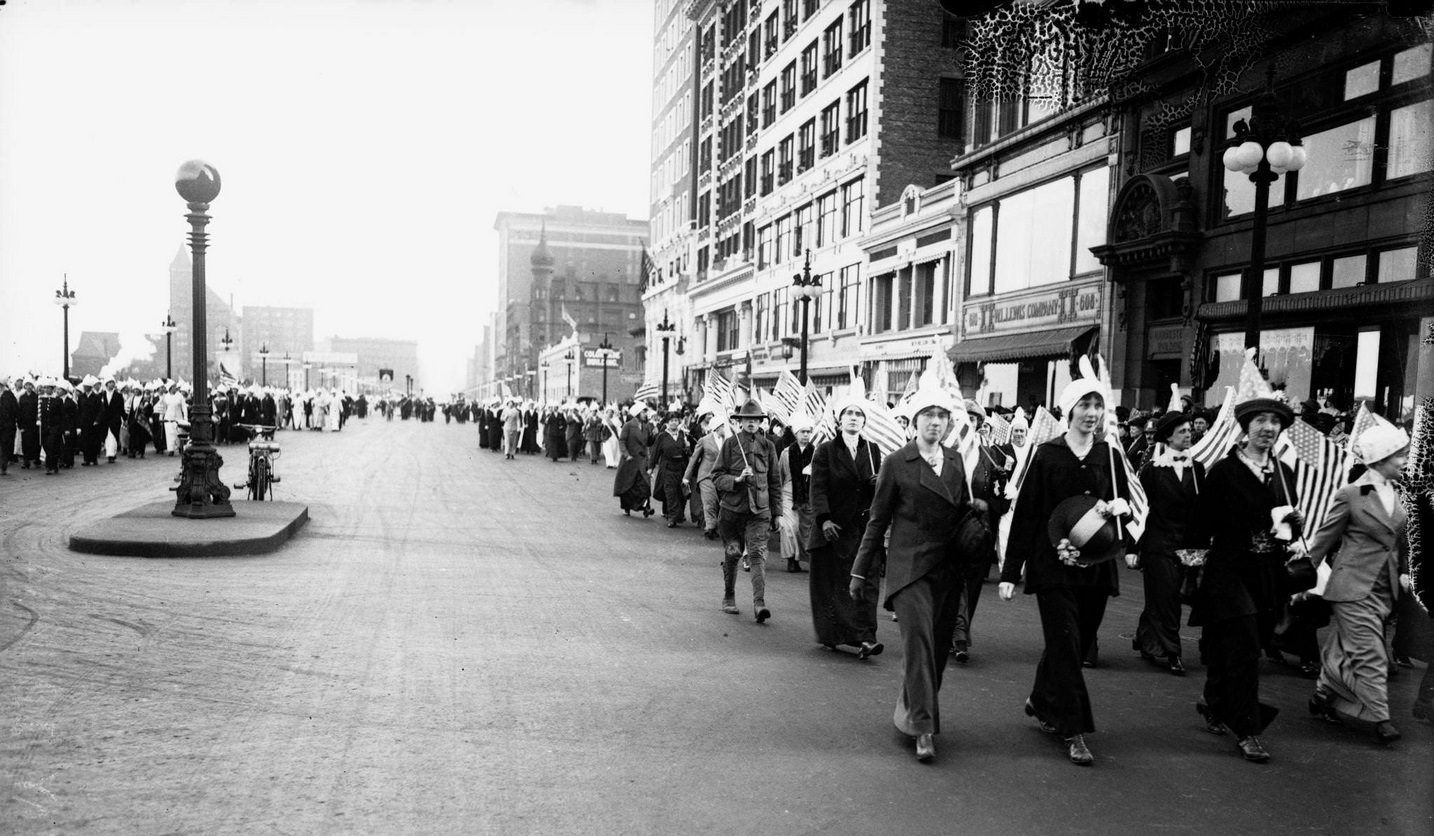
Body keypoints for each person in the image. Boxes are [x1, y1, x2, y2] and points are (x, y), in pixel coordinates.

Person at [999, 375, 1135, 767]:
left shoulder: (1109, 454)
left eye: (1098, 406)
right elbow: (1025, 515)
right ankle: (1073, 729)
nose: (1092, 414)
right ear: (1069, 409)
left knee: (1076, 643)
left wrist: (1120, 508)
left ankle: (1042, 698)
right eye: (1085, 405)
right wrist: (1010, 571)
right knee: (1065, 642)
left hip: (1095, 566)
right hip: (1052, 564)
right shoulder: (1046, 454)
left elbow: (1123, 501)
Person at [849, 387, 974, 762]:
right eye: (928, 415)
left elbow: (962, 512)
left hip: (947, 569)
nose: (936, 422)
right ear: (914, 420)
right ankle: (923, 727)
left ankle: (911, 709)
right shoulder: (896, 462)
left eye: (942, 416)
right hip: (909, 570)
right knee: (918, 643)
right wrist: (859, 570)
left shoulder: (955, 460)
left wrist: (978, 513)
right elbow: (878, 519)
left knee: (935, 652)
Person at [1190, 397, 1302, 764]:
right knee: (1245, 644)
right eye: (1261, 421)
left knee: (1239, 642)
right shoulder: (1223, 471)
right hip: (1229, 570)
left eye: (1275, 422)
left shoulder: (1285, 471)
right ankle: (1248, 729)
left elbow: (1289, 518)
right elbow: (1202, 523)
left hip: (1268, 572)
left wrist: (1292, 525)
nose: (1268, 428)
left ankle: (1214, 700)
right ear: (1246, 427)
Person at [1307, 423, 1410, 744]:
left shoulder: (1396, 493)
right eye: (1399, 456)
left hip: (1384, 590)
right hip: (1352, 587)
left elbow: (1398, 542)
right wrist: (1300, 577)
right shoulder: (1350, 495)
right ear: (1379, 460)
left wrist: (1405, 572)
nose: (1405, 461)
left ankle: (1324, 695)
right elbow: (1324, 540)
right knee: (1369, 653)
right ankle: (1381, 718)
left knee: (1344, 648)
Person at [1133, 411, 1207, 675]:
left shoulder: (1197, 469)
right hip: (1157, 544)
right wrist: (1134, 548)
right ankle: (1172, 651)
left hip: (1185, 545)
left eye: (1190, 431)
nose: (1188, 435)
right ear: (1168, 437)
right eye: (1182, 432)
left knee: (1162, 597)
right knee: (1167, 598)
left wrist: (1200, 548)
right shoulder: (1153, 471)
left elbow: (1201, 512)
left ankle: (1146, 638)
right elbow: (1140, 510)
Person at [810, 398, 883, 654]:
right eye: (848, 413)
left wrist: (878, 483)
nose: (853, 417)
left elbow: (880, 490)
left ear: (864, 421)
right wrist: (824, 519)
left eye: (858, 414)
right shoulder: (826, 450)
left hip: (863, 528)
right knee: (836, 584)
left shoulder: (872, 450)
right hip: (835, 529)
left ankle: (866, 637)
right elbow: (817, 488)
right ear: (840, 420)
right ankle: (835, 634)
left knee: (867, 581)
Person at [711, 399, 782, 621]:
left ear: (761, 422)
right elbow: (716, 476)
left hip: (759, 512)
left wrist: (777, 512)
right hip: (732, 511)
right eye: (747, 419)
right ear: (740, 422)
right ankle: (728, 596)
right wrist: (736, 480)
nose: (751, 423)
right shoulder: (731, 444)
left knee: (757, 555)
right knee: (733, 553)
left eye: (755, 420)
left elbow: (774, 481)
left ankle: (759, 604)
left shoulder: (768, 446)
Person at [952, 402, 1010, 665]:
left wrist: (1001, 482)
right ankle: (958, 635)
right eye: (966, 418)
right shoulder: (948, 451)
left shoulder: (989, 454)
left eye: (975, 419)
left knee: (972, 585)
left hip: (979, 532)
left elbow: (1001, 501)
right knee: (955, 582)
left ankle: (960, 629)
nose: (970, 422)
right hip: (952, 529)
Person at [776, 412, 816, 573]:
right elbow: (779, 476)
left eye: (808, 432)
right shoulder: (786, 453)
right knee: (789, 526)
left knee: (806, 529)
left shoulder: (816, 453)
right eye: (802, 432)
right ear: (796, 433)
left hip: (809, 495)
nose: (805, 435)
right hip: (788, 493)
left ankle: (807, 559)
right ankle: (791, 559)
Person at [683, 407, 723, 540]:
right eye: (723, 426)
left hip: (721, 477)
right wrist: (686, 477)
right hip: (706, 476)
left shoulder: (729, 441)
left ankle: (715, 525)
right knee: (709, 501)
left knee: (719, 503)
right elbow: (694, 459)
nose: (725, 428)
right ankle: (710, 527)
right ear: (717, 427)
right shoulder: (705, 440)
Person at [613, 403, 655, 517]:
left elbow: (649, 442)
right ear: (637, 414)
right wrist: (626, 454)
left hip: (642, 460)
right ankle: (627, 507)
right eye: (643, 412)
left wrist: (654, 435)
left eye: (646, 412)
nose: (645, 414)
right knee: (628, 485)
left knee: (644, 484)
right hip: (630, 461)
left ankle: (646, 506)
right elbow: (622, 441)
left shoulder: (647, 427)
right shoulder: (628, 426)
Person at [650, 412, 691, 528]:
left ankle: (680, 514)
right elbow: (655, 453)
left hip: (681, 467)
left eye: (676, 420)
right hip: (667, 467)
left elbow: (688, 453)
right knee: (670, 493)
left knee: (681, 492)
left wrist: (687, 447)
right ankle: (672, 517)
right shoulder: (662, 436)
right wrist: (650, 468)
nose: (674, 422)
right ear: (667, 423)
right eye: (671, 420)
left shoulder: (682, 435)